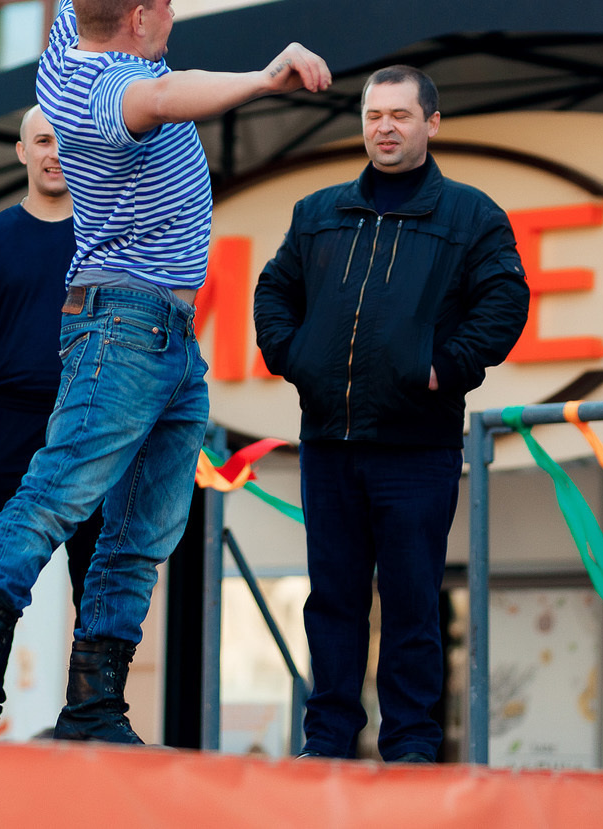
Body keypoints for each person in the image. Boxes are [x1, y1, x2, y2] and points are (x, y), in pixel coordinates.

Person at [0, 0, 332, 743]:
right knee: (56, 492)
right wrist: (265, 76)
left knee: (143, 524)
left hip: (165, 339)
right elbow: (170, 95)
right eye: (169, 2)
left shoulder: (71, 45)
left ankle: (95, 700)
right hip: (124, 324)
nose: (175, 12)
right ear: (140, 18)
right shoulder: (117, 95)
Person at [252, 66, 528, 763]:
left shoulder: (471, 215)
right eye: (376, 114)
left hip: (417, 446)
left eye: (401, 115)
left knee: (411, 605)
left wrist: (445, 366)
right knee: (333, 600)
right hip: (329, 442)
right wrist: (296, 355)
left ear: (431, 124)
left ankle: (409, 745)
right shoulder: (318, 212)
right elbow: (273, 289)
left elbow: (505, 302)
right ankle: (328, 740)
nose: (385, 127)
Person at [0, 106, 102, 600]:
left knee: (96, 589)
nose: (54, 155)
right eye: (42, 142)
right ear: (22, 152)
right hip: (9, 422)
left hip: (91, 420)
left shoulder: (107, 239)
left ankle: (94, 682)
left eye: (64, 143)